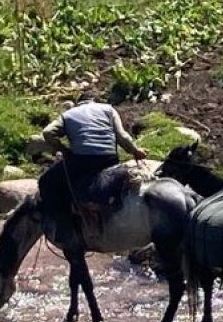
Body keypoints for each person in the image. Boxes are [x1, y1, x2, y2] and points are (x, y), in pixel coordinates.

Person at [36, 92, 145, 245]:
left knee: (46, 182)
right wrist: (136, 151)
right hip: (109, 159)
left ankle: (64, 227)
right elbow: (122, 136)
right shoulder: (108, 109)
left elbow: (47, 132)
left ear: (78, 103)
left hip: (82, 160)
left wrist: (63, 149)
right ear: (95, 100)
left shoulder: (68, 114)